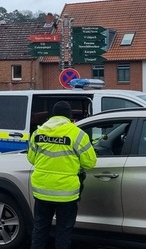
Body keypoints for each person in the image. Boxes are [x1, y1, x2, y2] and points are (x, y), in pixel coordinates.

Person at [27, 101, 98, 249]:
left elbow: (31, 159)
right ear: (69, 116)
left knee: (40, 228)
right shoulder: (77, 134)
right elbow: (90, 163)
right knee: (63, 231)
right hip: (66, 193)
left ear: (53, 114)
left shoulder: (38, 133)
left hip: (42, 191)